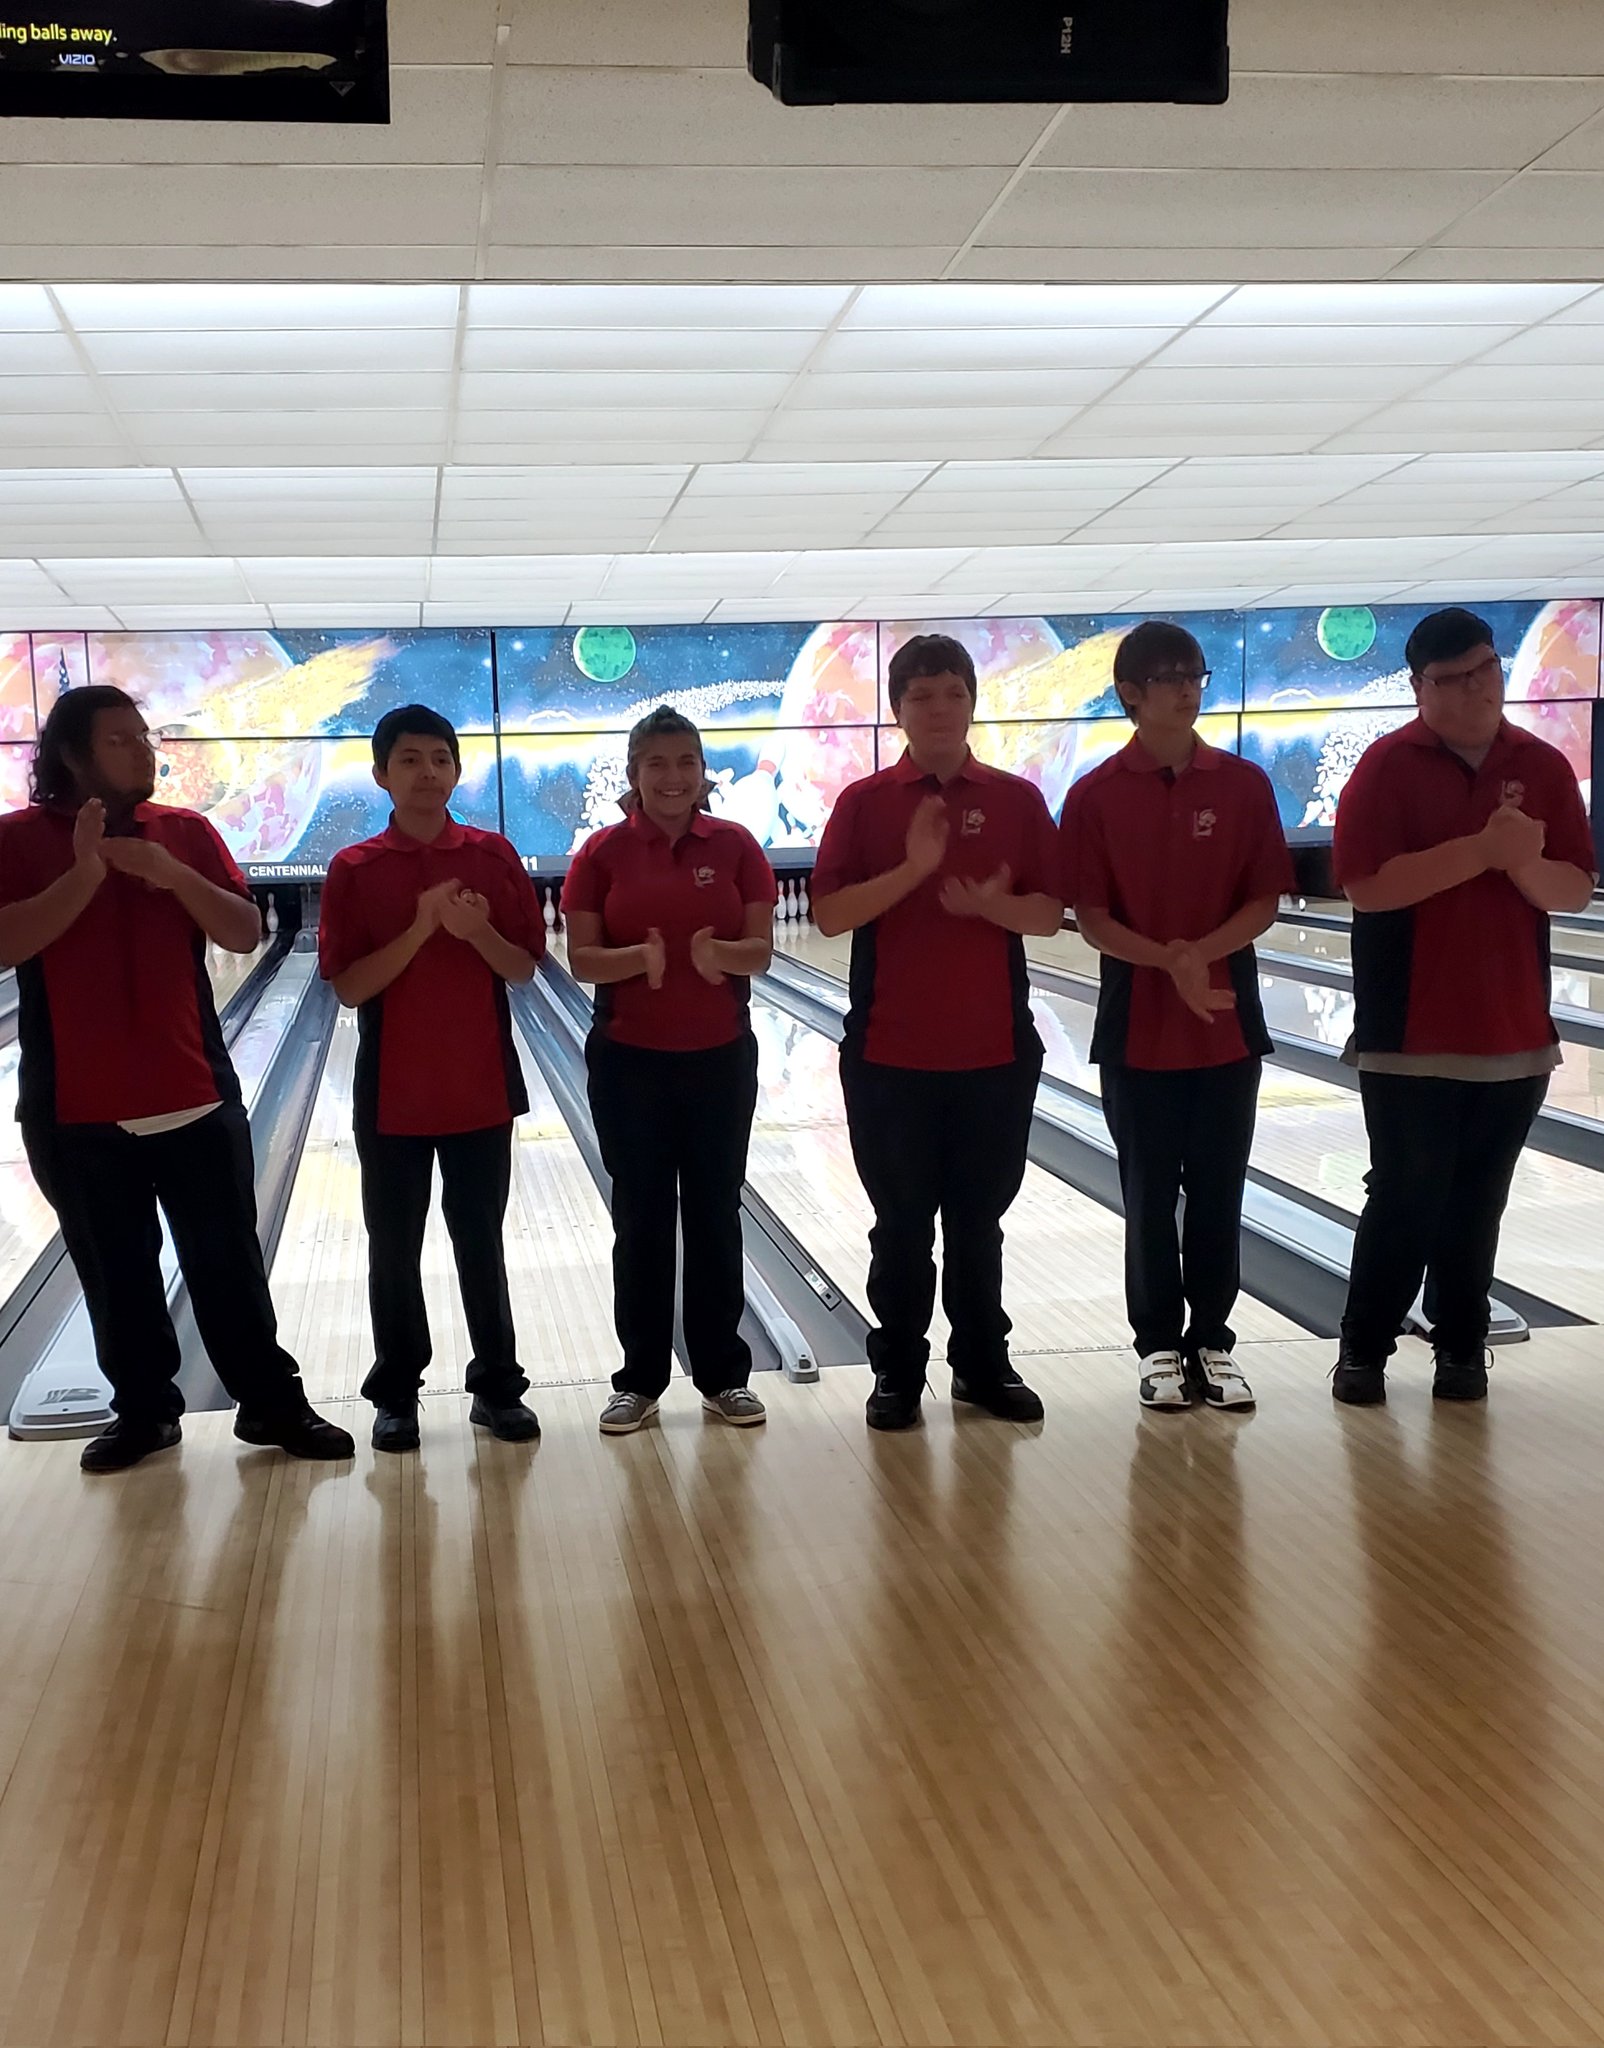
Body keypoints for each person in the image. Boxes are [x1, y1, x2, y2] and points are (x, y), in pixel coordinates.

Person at [0, 686, 354, 1472]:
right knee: (115, 1271)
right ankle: (144, 1414)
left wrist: (168, 873)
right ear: (72, 755)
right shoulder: (17, 840)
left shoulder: (185, 833)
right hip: (74, 1109)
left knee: (226, 1262)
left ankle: (269, 1403)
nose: (144, 751)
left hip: (192, 1091)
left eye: (144, 736)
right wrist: (85, 875)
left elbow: (239, 928)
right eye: (121, 740)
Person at [1330, 607, 1596, 1405]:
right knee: (1405, 1197)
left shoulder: (1542, 764)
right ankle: (1363, 1351)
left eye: (1487, 670)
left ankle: (1461, 1350)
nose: (1478, 689)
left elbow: (1575, 889)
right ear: (1420, 689)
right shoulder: (1384, 768)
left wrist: (1520, 864)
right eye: (1454, 678)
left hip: (1514, 1031)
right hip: (1408, 1031)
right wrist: (1482, 850)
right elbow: (1368, 888)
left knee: (1479, 1202)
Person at [810, 633, 1063, 1431]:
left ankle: (983, 1368)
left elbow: (1049, 915)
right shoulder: (864, 805)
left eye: (952, 691)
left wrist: (989, 906)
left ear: (971, 701)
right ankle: (897, 1374)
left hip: (994, 1051)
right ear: (897, 711)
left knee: (978, 1224)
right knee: (904, 1227)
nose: (938, 708)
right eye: (920, 695)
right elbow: (827, 915)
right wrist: (915, 871)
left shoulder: (1018, 800)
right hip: (890, 1054)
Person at [1059, 621, 1293, 1411]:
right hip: (1137, 1023)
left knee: (1222, 1190)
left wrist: (1200, 955)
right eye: (1168, 677)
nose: (1188, 689)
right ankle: (1159, 1343)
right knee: (1148, 1194)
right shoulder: (1093, 795)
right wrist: (1170, 961)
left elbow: (1263, 898)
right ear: (1130, 693)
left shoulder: (1243, 785)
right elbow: (1090, 916)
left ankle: (1214, 1343)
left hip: (1226, 1020)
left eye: (1195, 674)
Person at [319, 704, 546, 1453]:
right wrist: (421, 927)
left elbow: (522, 968)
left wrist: (476, 930)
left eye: (439, 759)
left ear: (457, 770)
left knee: (480, 1239)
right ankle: (397, 1395)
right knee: (395, 1244)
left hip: (481, 1083)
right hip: (391, 1091)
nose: (426, 773)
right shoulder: (355, 869)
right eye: (408, 759)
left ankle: (498, 1387)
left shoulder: (492, 854)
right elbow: (349, 987)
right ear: (382, 774)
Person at [563, 706, 777, 1435]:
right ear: (634, 774)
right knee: (643, 1218)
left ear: (702, 771)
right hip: (630, 1062)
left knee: (716, 1214)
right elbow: (582, 959)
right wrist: (638, 962)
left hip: (719, 1057)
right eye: (656, 763)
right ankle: (640, 1380)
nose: (673, 776)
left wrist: (725, 956)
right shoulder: (601, 855)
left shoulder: (739, 846)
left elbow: (760, 950)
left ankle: (724, 1376)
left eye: (686, 762)